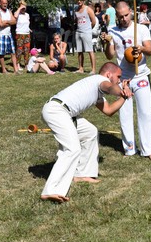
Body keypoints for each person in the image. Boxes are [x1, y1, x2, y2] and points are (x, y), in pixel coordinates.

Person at [40, 62, 133, 203]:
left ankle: (82, 174)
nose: (119, 80)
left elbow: (109, 111)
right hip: (56, 111)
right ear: (109, 74)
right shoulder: (100, 81)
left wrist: (123, 96)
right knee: (72, 149)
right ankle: (51, 190)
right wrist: (122, 90)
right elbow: (110, 87)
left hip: (66, 113)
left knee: (90, 132)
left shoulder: (96, 90)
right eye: (118, 77)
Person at [103, 1, 151, 161]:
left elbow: (150, 50)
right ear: (117, 16)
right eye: (121, 17)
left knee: (145, 112)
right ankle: (129, 149)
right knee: (125, 114)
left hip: (141, 76)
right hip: (123, 78)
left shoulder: (141, 29)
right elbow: (110, 55)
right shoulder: (112, 31)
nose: (124, 19)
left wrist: (140, 48)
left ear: (131, 13)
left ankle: (148, 150)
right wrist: (107, 43)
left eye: (126, 15)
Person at [0, 0, 20, 74]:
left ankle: (16, 70)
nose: (5, 5)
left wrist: (6, 21)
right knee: (2, 53)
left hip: (8, 34)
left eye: (6, 3)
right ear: (0, 3)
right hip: (1, 34)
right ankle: (4, 70)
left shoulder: (9, 11)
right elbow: (0, 24)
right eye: (3, 3)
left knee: (13, 52)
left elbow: (14, 21)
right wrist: (9, 22)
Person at [74, 0, 97, 74]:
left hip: (86, 32)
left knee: (90, 50)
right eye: (78, 0)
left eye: (81, 0)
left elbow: (94, 21)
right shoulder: (76, 9)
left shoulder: (88, 9)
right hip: (78, 32)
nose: (79, 1)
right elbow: (76, 20)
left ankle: (93, 69)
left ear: (83, 0)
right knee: (79, 51)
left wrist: (89, 29)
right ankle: (81, 68)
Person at [14, 0, 31, 68]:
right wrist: (19, 8)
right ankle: (17, 64)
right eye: (22, 7)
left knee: (27, 49)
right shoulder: (17, 13)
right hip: (19, 33)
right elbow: (15, 16)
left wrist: (29, 29)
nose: (23, 8)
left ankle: (26, 64)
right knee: (19, 49)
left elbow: (27, 23)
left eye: (24, 7)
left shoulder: (27, 15)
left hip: (27, 33)